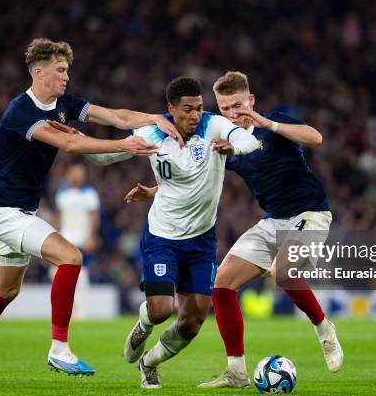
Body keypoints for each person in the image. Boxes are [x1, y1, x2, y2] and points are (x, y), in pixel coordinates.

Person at [0, 37, 182, 378]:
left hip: (20, 211)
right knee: (71, 258)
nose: (66, 76)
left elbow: (114, 114)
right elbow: (69, 142)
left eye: (67, 69)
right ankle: (60, 348)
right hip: (5, 213)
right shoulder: (20, 112)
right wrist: (124, 144)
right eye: (60, 70)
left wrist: (156, 118)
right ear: (38, 73)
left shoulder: (64, 103)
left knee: (6, 289)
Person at [126, 71, 343, 389]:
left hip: (310, 214)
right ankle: (237, 371)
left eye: (239, 106)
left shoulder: (274, 124)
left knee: (282, 273)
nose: (233, 114)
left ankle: (325, 331)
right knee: (222, 286)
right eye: (225, 109)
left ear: (251, 101)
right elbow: (192, 180)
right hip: (271, 221)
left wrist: (267, 124)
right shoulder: (222, 141)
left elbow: (315, 138)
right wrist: (153, 191)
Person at [88, 76, 260, 388]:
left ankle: (149, 361)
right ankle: (144, 323)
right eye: (187, 110)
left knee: (193, 322)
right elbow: (108, 156)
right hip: (163, 236)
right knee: (161, 311)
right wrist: (74, 142)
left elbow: (250, 140)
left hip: (202, 239)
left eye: (199, 108)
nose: (195, 115)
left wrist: (233, 146)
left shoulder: (214, 126)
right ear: (170, 109)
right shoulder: (152, 132)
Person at [54, 163, 100, 319]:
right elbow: (59, 216)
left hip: (81, 240)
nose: (77, 176)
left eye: (79, 173)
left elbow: (94, 217)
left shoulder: (89, 194)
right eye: (74, 173)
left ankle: (80, 311)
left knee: (82, 275)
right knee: (59, 274)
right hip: (65, 239)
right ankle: (63, 310)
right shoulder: (62, 193)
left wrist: (91, 236)